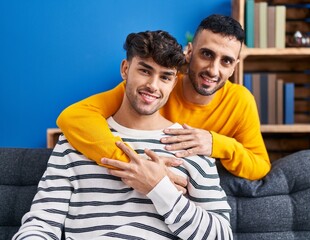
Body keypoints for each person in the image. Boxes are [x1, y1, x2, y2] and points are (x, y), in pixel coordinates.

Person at [13, 30, 232, 239]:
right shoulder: (75, 141)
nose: (152, 86)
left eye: (165, 77)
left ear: (174, 82)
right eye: (145, 71)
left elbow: (222, 235)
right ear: (125, 69)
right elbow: (41, 224)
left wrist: (160, 189)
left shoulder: (189, 146)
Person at [57, 14, 270, 180]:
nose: (213, 70)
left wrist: (216, 143)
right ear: (189, 52)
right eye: (206, 54)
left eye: (226, 61)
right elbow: (74, 116)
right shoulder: (158, 86)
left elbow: (259, 165)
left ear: (234, 67)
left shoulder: (240, 101)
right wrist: (133, 165)